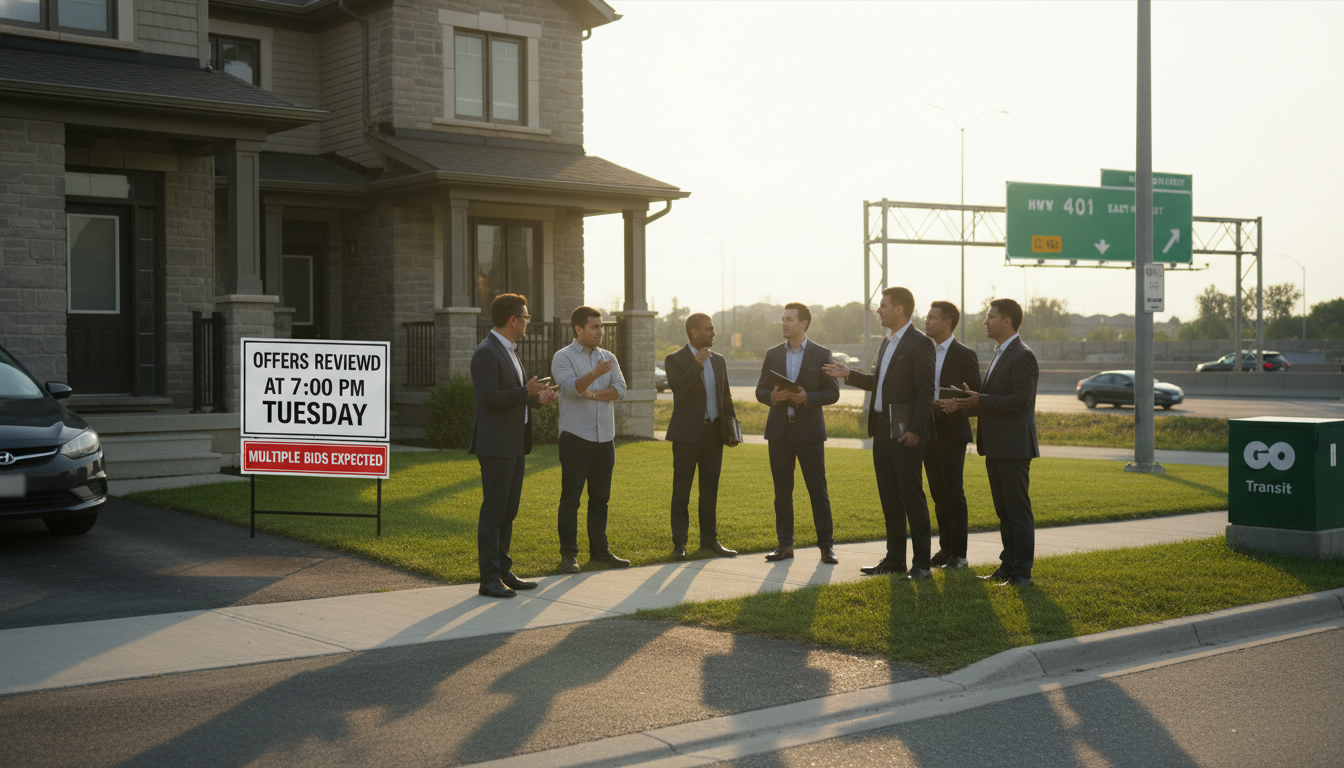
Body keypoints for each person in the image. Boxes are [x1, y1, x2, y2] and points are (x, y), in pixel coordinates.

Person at [822, 287, 935, 579]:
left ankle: (922, 565)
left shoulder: (920, 343)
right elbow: (880, 382)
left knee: (912, 497)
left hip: (905, 431)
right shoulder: (886, 342)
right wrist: (849, 374)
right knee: (889, 497)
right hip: (883, 428)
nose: (879, 310)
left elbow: (925, 392)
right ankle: (895, 559)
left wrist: (915, 431)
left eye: (883, 306)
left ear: (899, 309)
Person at [938, 297, 1039, 586]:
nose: (985, 321)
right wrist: (970, 399)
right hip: (996, 445)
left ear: (1007, 321)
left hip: (1014, 446)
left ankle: (1022, 573)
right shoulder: (1000, 353)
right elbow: (995, 399)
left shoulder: (1022, 355)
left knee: (1017, 512)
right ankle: (1007, 567)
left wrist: (980, 400)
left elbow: (1021, 400)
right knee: (1004, 511)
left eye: (990, 317)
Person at [469, 293, 558, 598]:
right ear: (512, 320)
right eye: (526, 316)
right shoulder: (486, 352)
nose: (527, 321)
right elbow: (489, 398)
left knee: (509, 511)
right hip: (495, 445)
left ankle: (504, 571)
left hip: (515, 443)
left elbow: (514, 395)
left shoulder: (509, 350)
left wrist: (536, 398)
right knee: (494, 513)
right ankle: (489, 579)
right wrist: (525, 392)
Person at [756, 302, 840, 564]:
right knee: (782, 492)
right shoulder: (772, 354)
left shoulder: (821, 354)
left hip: (809, 432)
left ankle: (826, 547)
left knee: (818, 490)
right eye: (782, 319)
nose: (783, 323)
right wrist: (772, 396)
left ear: (804, 323)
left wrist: (808, 397)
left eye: (789, 319)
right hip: (779, 431)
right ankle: (784, 545)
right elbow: (760, 391)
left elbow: (833, 392)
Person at [551, 306, 629, 573]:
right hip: (576, 437)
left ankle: (600, 552)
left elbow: (620, 390)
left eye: (601, 326)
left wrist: (594, 394)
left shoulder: (609, 357)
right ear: (578, 329)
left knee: (600, 499)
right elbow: (572, 388)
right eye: (595, 327)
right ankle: (568, 556)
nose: (600, 332)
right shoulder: (563, 357)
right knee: (571, 499)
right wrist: (595, 376)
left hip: (604, 438)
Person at [665, 312, 740, 559]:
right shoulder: (674, 359)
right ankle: (680, 543)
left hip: (713, 435)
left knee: (710, 490)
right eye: (709, 329)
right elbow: (679, 388)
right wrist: (696, 363)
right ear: (694, 332)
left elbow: (725, 396)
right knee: (681, 491)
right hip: (686, 436)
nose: (713, 333)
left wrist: (732, 431)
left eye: (713, 328)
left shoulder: (718, 360)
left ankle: (710, 541)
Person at [923, 301, 981, 570]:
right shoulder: (923, 350)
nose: (926, 321)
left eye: (932, 317)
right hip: (927, 430)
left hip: (952, 431)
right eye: (927, 316)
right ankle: (945, 549)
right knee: (937, 493)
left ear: (947, 322)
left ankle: (959, 553)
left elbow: (976, 396)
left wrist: (956, 404)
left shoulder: (964, 354)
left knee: (953, 492)